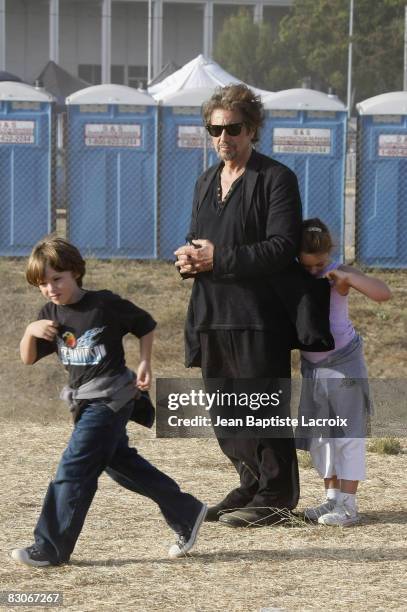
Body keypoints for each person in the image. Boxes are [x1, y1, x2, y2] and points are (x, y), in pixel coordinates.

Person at [174, 84, 332, 528]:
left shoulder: (276, 179)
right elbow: (197, 238)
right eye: (214, 129)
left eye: (233, 128)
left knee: (261, 405)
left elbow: (282, 247)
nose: (223, 137)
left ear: (252, 128)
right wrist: (189, 261)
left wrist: (218, 257)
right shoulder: (206, 181)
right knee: (224, 410)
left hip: (258, 316)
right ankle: (250, 483)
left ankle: (278, 495)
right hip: (211, 311)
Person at [11, 236, 207, 567]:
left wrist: (145, 362)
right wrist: (30, 330)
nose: (50, 289)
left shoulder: (103, 304)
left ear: (75, 271)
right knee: (121, 465)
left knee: (73, 467)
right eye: (42, 284)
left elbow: (145, 324)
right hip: (84, 401)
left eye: (56, 279)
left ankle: (50, 547)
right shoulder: (50, 313)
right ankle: (186, 511)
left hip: (113, 397)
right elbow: (28, 358)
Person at [297, 218, 391, 526]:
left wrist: (344, 276)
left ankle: (349, 506)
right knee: (323, 435)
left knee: (348, 435)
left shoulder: (339, 272)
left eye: (319, 265)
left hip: (343, 363)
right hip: (313, 367)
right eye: (307, 266)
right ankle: (331, 500)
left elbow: (382, 294)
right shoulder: (294, 275)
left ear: (329, 254)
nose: (314, 272)